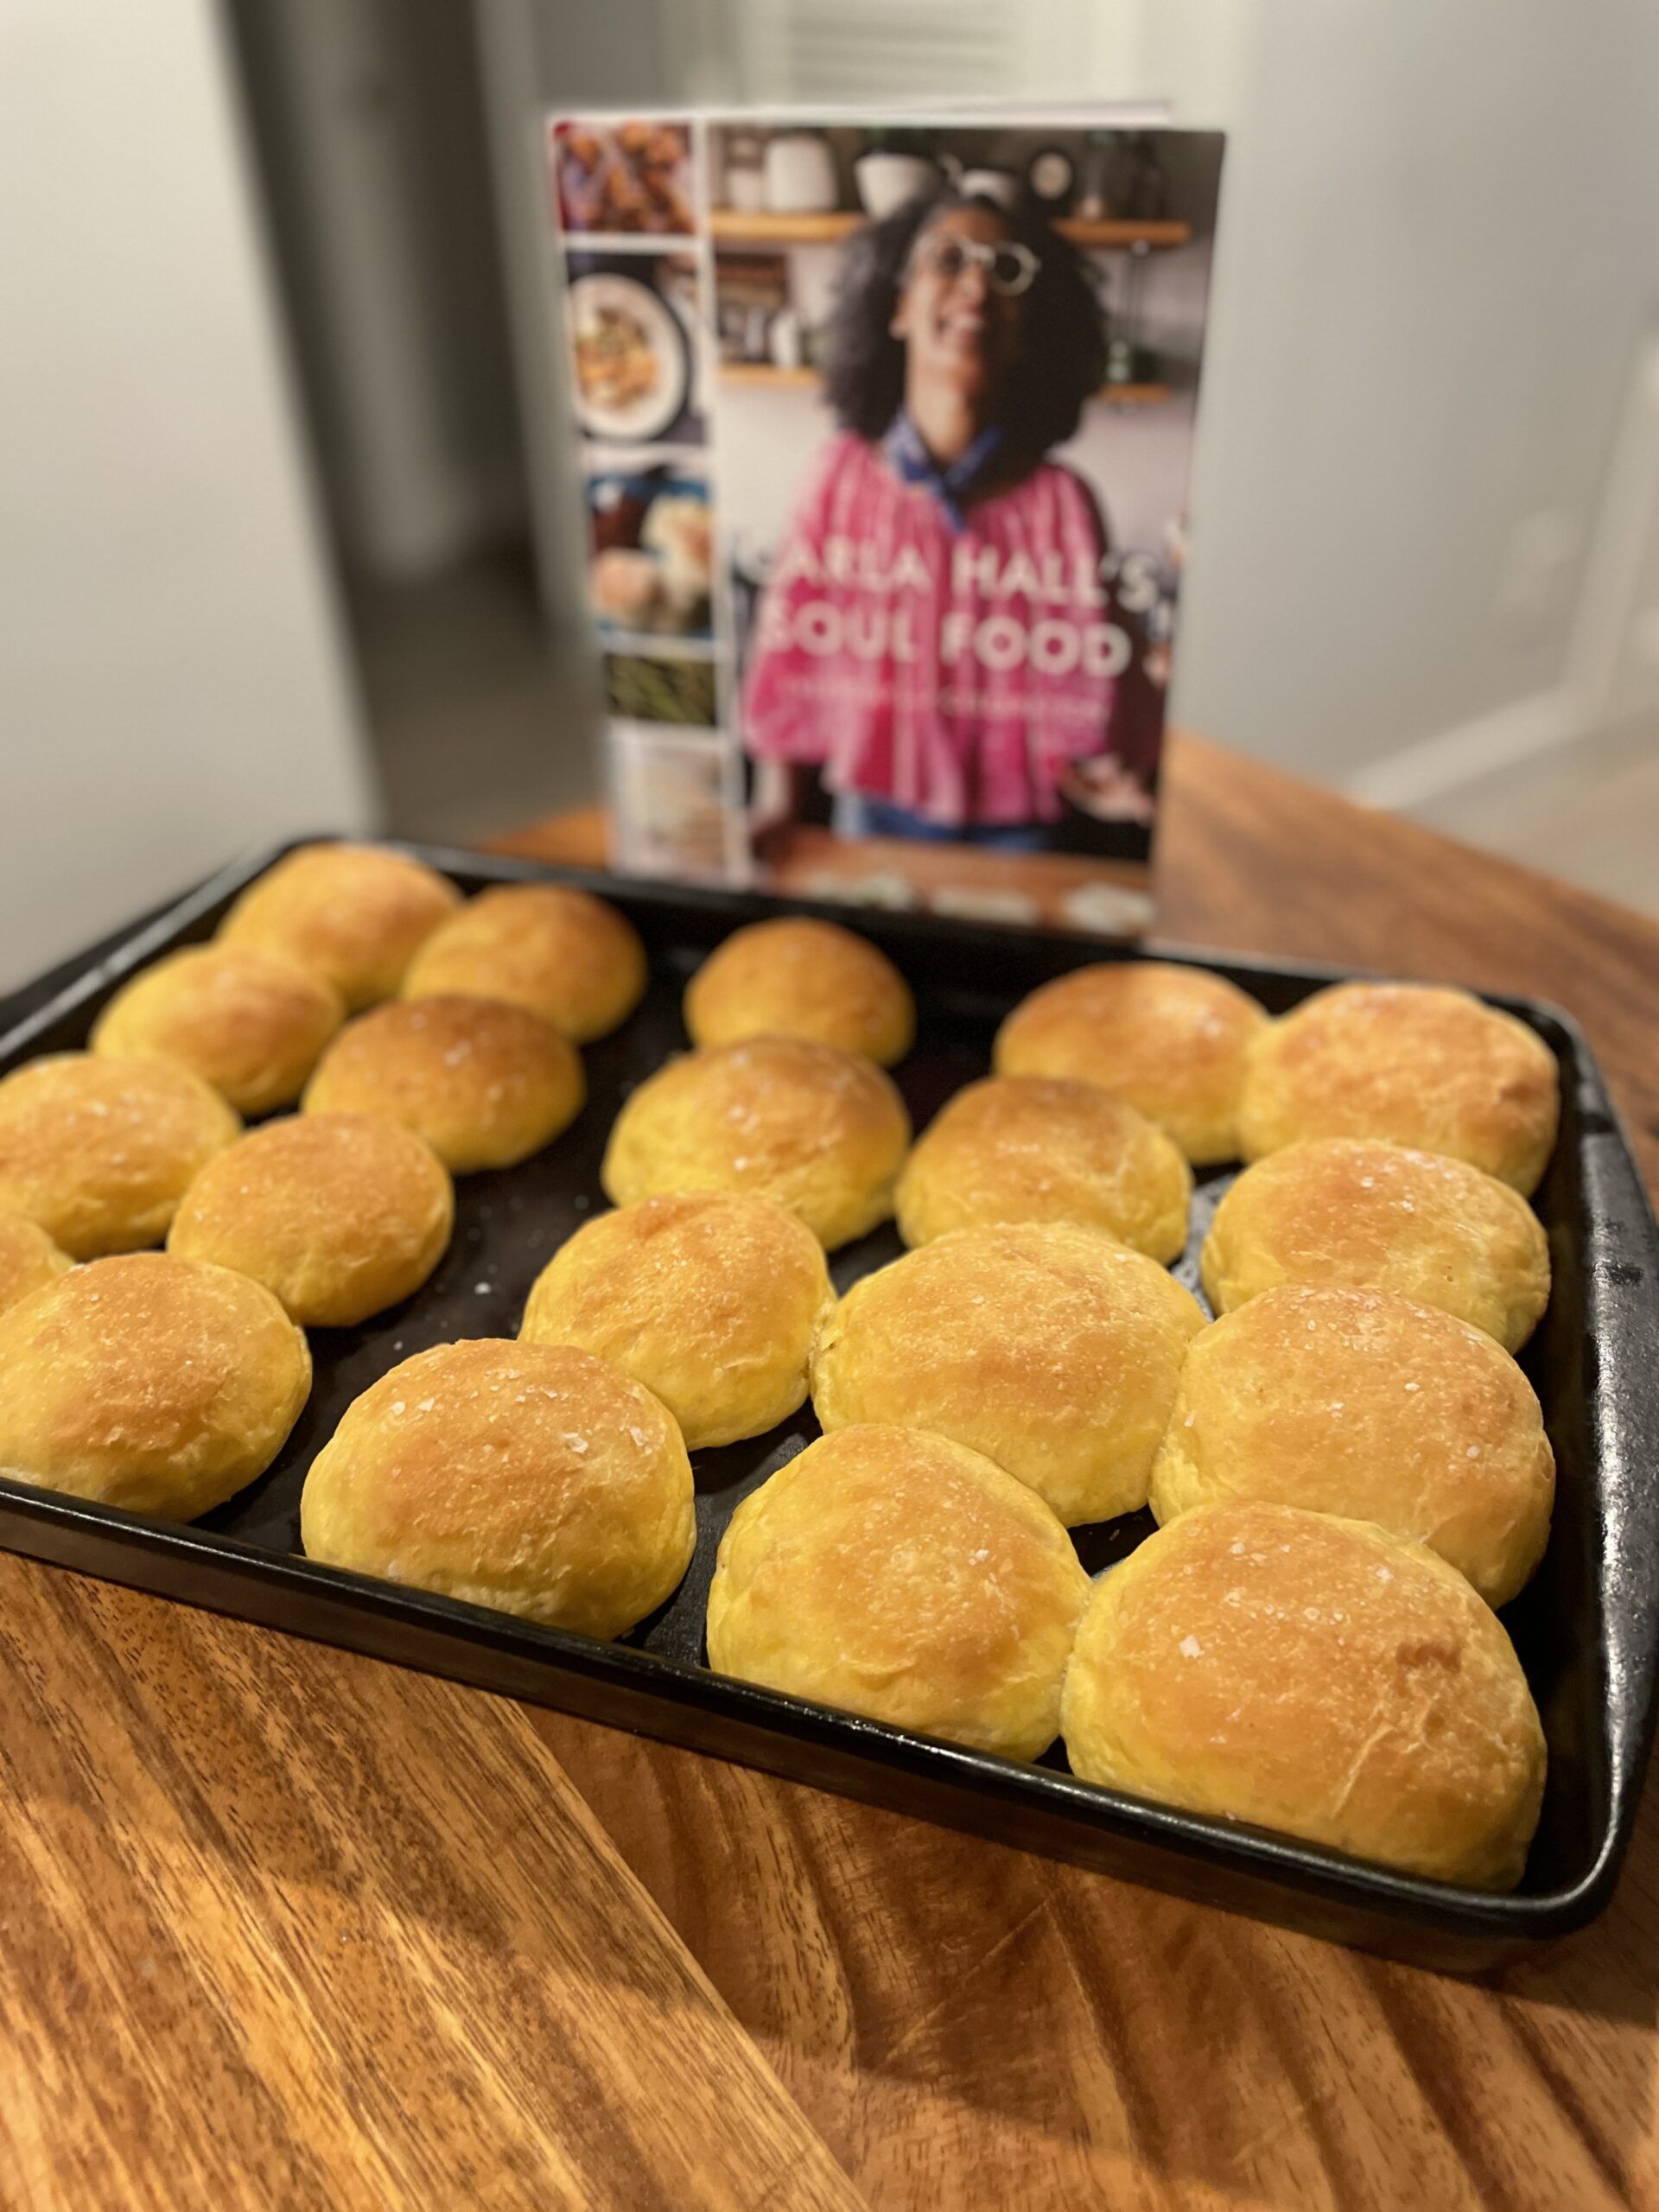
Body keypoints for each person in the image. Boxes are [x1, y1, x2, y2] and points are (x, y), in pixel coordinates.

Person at [741, 188, 1162, 857]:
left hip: (1021, 827)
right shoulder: (839, 477)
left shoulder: (1062, 501)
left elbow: (1099, 679)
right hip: (873, 814)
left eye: (1005, 270)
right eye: (949, 260)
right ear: (900, 306)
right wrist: (776, 805)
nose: (976, 285)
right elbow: (788, 662)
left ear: (1027, 328)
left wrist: (1126, 777)